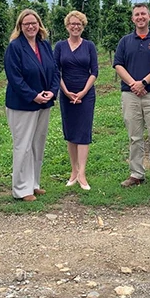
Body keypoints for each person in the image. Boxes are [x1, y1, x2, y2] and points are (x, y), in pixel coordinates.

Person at [4, 9, 60, 202]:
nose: (30, 26)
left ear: (39, 25)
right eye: (26, 23)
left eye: (33, 23)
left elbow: (54, 71)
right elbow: (14, 77)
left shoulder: (44, 45)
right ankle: (21, 189)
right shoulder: (15, 47)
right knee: (23, 145)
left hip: (44, 102)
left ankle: (34, 183)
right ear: (20, 26)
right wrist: (33, 95)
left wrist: (52, 91)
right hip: (22, 104)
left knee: (38, 144)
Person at [114, 3, 150, 191]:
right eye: (137, 14)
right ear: (132, 19)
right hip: (130, 95)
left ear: (149, 17)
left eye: (143, 14)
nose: (140, 17)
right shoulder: (125, 41)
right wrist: (134, 84)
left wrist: (144, 82)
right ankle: (136, 174)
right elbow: (118, 65)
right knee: (134, 136)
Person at [54, 11, 98, 190]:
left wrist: (83, 92)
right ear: (67, 26)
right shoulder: (60, 46)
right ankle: (74, 171)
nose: (75, 26)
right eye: (72, 23)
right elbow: (55, 71)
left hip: (86, 95)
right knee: (71, 132)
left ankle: (82, 173)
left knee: (83, 132)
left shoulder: (89, 46)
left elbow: (94, 71)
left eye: (79, 24)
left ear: (83, 26)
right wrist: (65, 91)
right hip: (66, 95)